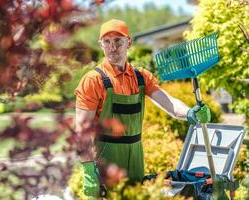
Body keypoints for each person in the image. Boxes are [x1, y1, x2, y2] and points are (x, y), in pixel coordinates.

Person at [74, 19, 211, 197]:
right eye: (107, 42)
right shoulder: (93, 80)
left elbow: (168, 103)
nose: (112, 47)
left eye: (118, 41)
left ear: (129, 42)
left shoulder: (141, 77)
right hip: (107, 162)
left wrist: (190, 113)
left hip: (136, 157)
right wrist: (88, 169)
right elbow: (82, 130)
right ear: (101, 45)